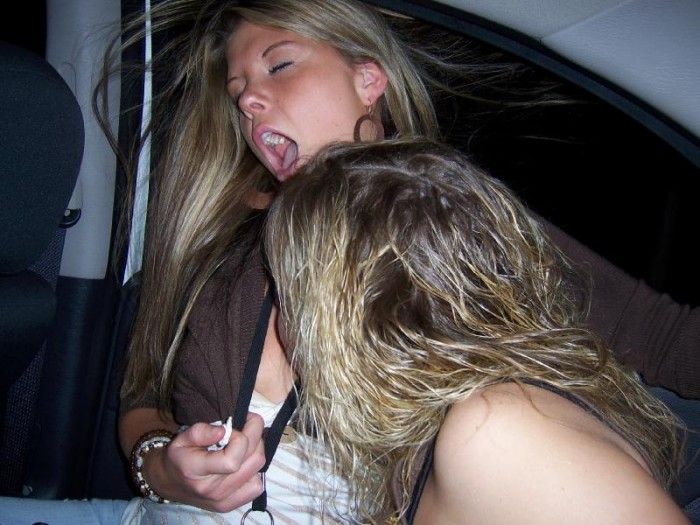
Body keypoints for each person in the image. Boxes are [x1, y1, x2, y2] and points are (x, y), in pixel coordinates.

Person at [0, 0, 697, 523]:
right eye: (238, 91)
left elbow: (667, 337)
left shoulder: (453, 222)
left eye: (279, 65)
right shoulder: (215, 236)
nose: (249, 100)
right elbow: (142, 394)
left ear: (369, 79)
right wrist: (162, 467)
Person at [264, 138, 690, 524]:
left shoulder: (498, 432)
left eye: (286, 292)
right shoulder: (433, 441)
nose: (282, 318)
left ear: (337, 318)